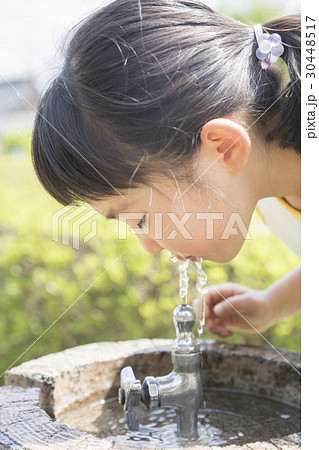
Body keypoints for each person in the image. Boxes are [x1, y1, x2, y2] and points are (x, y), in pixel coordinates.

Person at [31, 0, 300, 338]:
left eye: (140, 218)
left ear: (224, 148)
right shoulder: (259, 181)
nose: (150, 246)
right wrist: (273, 303)